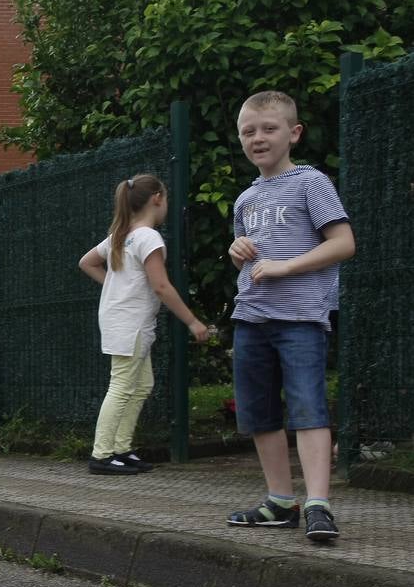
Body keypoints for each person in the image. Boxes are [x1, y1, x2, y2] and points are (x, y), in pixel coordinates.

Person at [225, 90, 355, 542]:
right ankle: (280, 501)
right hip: (251, 318)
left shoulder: (310, 182)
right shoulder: (245, 199)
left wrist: (286, 266)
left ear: (293, 133)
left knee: (307, 408)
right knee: (260, 412)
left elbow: (343, 243)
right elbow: (249, 257)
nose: (257, 138)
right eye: (248, 131)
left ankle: (318, 504)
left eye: (268, 128)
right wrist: (236, 251)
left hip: (300, 318)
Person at [78, 174, 210, 475]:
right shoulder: (148, 237)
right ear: (157, 199)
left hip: (124, 320)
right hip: (131, 323)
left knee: (142, 385)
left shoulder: (120, 235)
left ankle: (121, 449)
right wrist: (193, 322)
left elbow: (86, 262)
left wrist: (116, 287)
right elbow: (161, 287)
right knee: (123, 384)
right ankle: (101, 455)